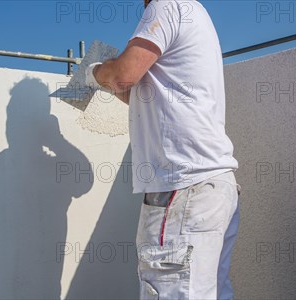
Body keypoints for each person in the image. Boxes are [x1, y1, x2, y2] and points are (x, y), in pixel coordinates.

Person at [85, 0, 240, 299]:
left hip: (183, 189)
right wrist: (112, 82)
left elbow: (122, 75)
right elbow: (144, 95)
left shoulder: (166, 6)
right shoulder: (195, 13)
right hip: (213, 187)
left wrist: (94, 73)